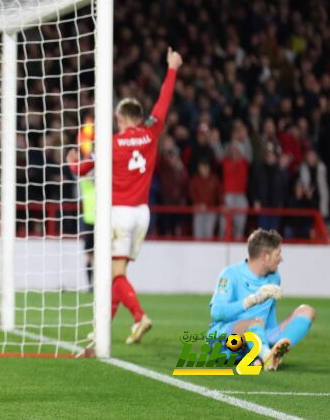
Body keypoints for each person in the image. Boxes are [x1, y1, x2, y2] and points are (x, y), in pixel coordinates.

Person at [68, 47, 182, 344]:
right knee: (115, 273)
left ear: (121, 119)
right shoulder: (152, 132)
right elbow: (164, 102)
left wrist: (70, 160)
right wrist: (172, 68)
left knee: (114, 275)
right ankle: (102, 328)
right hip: (142, 213)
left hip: (117, 214)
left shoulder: (111, 143)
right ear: (140, 118)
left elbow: (82, 169)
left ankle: (139, 315)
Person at [207, 229, 315, 371]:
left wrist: (271, 334)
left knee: (307, 311)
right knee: (252, 323)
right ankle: (266, 357)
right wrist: (251, 300)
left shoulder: (274, 277)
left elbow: (270, 314)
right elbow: (217, 312)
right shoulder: (230, 274)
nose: (281, 259)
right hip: (226, 342)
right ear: (265, 256)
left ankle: (272, 354)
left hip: (257, 337)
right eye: (278, 254)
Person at [66, 117, 96, 290]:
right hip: (91, 218)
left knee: (92, 255)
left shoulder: (86, 176)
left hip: (93, 219)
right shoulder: (88, 176)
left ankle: (95, 284)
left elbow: (78, 170)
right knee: (90, 255)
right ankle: (92, 285)